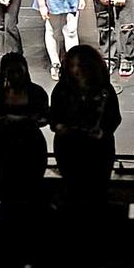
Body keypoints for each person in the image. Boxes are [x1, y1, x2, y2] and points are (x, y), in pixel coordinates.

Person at [52, 43, 122, 209]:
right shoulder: (62, 89)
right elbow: (54, 116)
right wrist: (60, 127)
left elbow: (114, 117)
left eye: (80, 66)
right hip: (70, 147)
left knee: (97, 191)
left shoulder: (104, 89)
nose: (76, 70)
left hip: (97, 148)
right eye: (72, 66)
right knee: (73, 190)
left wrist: (102, 131)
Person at [0, 52, 50, 206]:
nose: (16, 76)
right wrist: (6, 120)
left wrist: (25, 120)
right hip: (5, 147)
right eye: (11, 72)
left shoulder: (36, 92)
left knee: (33, 188)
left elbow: (46, 118)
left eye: (19, 71)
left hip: (32, 147)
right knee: (8, 188)